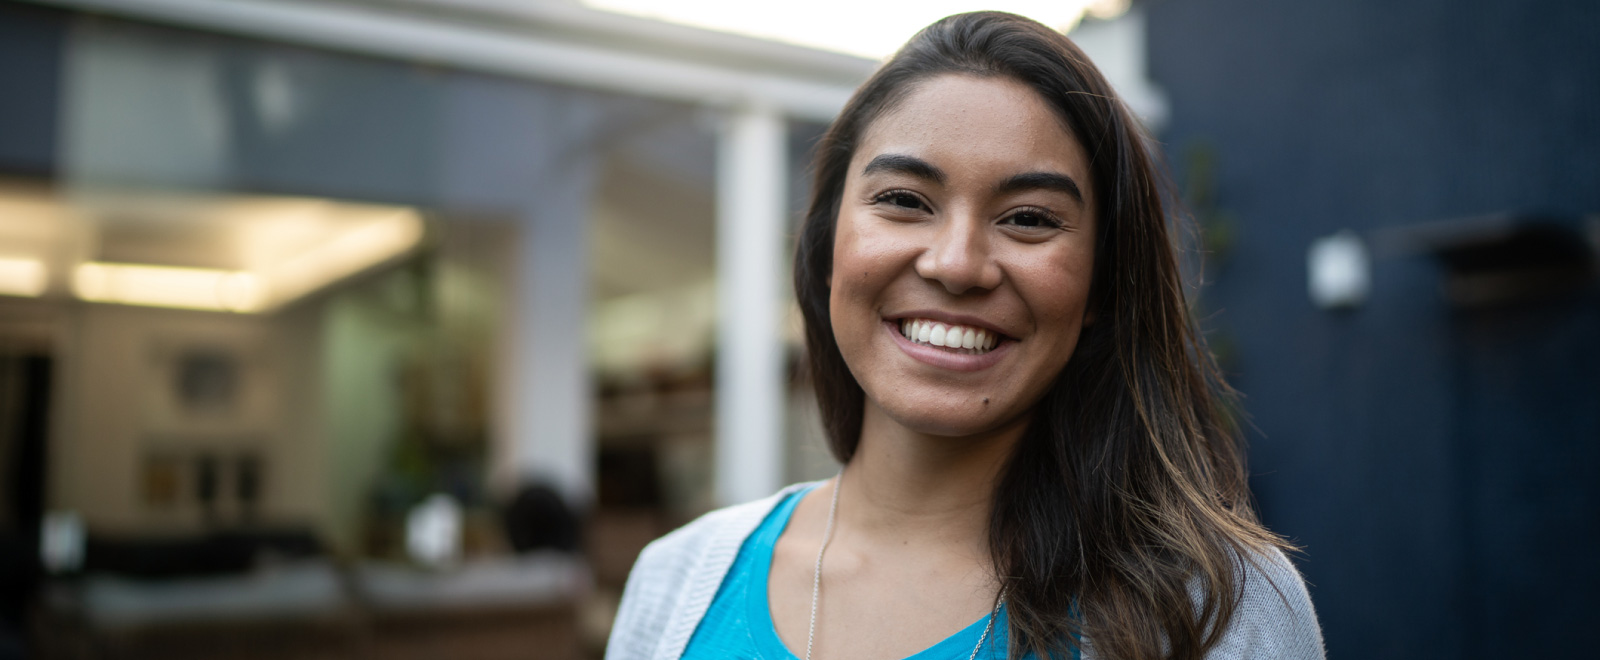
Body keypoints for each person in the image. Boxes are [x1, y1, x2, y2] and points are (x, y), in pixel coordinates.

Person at [607, 11, 1324, 660]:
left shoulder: (1215, 612)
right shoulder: (676, 581)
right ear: (828, 247)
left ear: (1105, 284)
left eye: (1029, 218)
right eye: (904, 201)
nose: (956, 264)